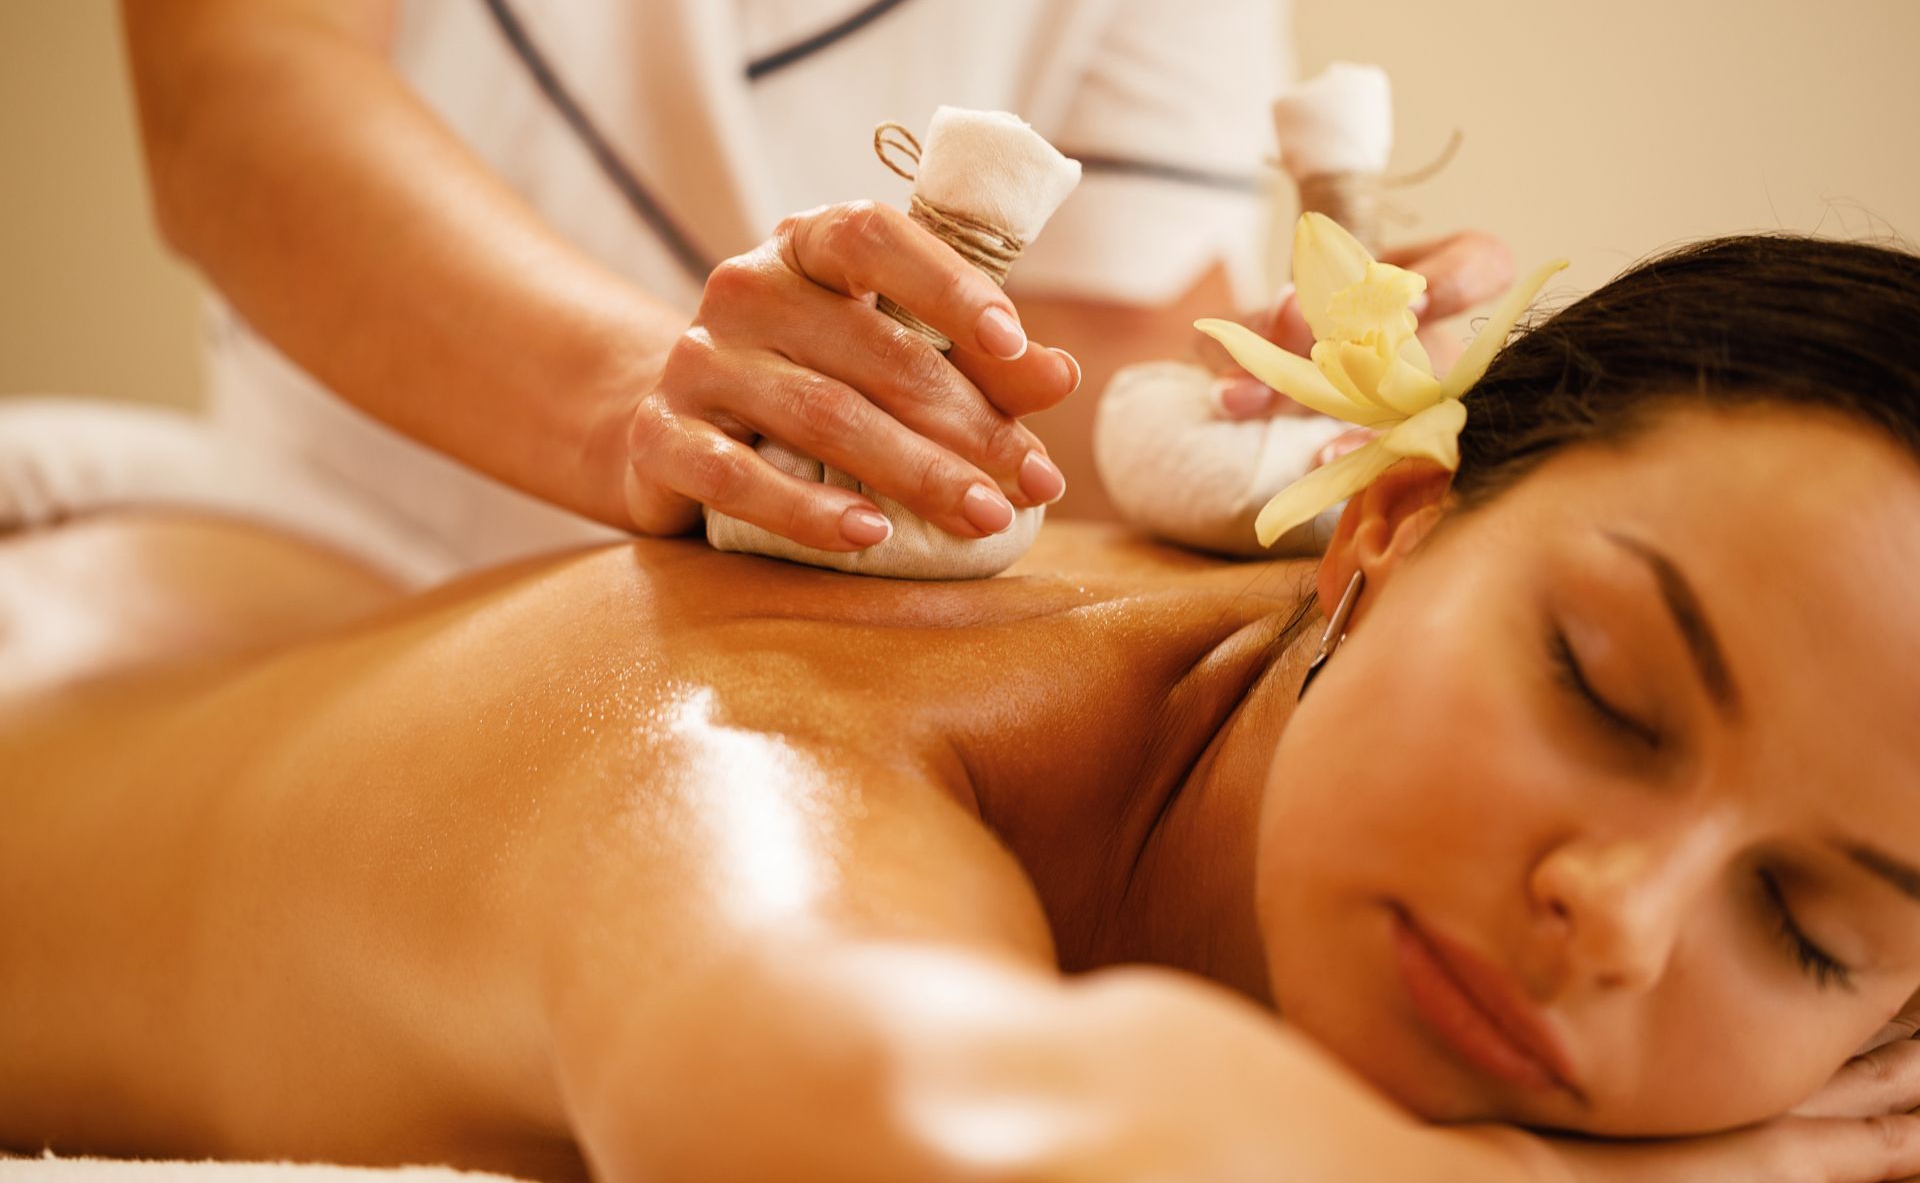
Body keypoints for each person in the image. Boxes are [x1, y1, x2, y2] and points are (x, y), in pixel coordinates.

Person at [5, 232, 1920, 1180]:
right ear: (1391, 529)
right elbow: (927, 1130)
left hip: (285, 634)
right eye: (1606, 693)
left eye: (1808, 924)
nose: (1621, 915)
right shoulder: (749, 757)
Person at [52, 0, 1512, 577]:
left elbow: (1078, 367)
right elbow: (244, 93)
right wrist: (653, 407)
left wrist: (1283, 411)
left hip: (801, 641)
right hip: (332, 559)